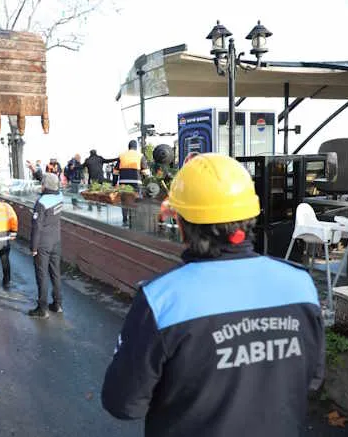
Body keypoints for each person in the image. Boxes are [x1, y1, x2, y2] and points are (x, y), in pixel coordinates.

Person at [101, 154, 325, 437]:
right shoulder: (300, 284)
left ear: (183, 226)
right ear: (250, 218)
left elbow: (123, 403)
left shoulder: (162, 300)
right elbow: (313, 378)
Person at [28, 173, 63, 318]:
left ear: (46, 185)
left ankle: (42, 309)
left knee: (42, 275)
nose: (41, 186)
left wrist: (33, 247)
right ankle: (57, 304)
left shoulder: (42, 202)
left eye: (42, 183)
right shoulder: (60, 197)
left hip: (43, 243)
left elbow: (37, 227)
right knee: (55, 273)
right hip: (56, 241)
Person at [114, 140, 150, 226]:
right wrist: (146, 181)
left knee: (124, 201)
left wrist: (114, 183)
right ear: (136, 147)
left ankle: (124, 219)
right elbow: (146, 172)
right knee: (135, 201)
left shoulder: (121, 156)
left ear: (128, 147)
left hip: (123, 183)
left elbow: (115, 171)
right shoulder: (140, 156)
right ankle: (133, 219)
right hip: (136, 183)